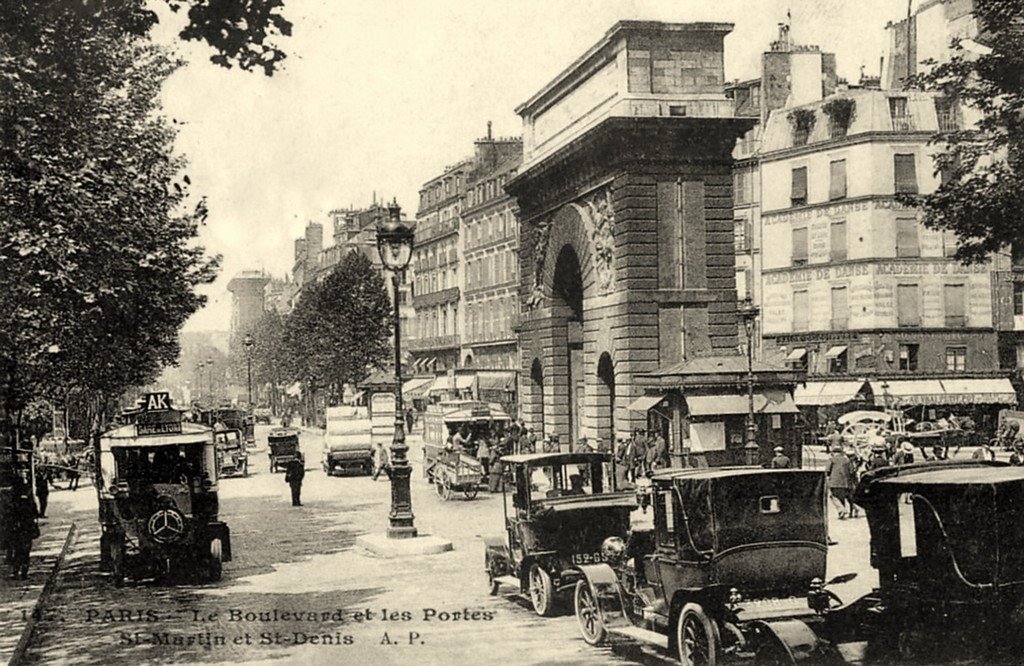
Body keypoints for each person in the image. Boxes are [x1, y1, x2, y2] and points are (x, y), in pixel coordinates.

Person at [8, 481, 38, 580]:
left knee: (18, 551)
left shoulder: (14, 503)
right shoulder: (29, 502)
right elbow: (35, 514)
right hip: (27, 528)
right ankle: (23, 573)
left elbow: (10, 516)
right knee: (25, 552)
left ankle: (16, 572)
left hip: (18, 529)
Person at [825, 446, 855, 519]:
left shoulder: (831, 460)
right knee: (841, 497)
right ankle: (841, 513)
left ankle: (841, 510)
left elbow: (827, 470)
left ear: (834, 453)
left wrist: (828, 479)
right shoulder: (847, 460)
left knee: (833, 496)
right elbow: (851, 471)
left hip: (834, 482)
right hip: (845, 482)